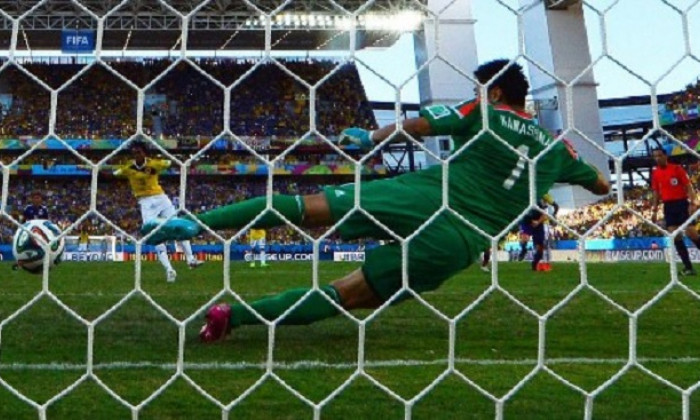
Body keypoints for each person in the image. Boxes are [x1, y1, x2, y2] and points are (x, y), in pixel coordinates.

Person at [142, 59, 610, 342]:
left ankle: (195, 223)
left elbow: (419, 125)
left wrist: (370, 135)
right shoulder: (558, 149)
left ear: (496, 91)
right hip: (460, 241)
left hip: (427, 195)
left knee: (306, 207)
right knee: (347, 295)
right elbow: (601, 185)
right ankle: (231, 317)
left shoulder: (485, 111)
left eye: (478, 87)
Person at [114, 141, 203, 282]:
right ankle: (169, 270)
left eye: (139, 152)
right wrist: (94, 170)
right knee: (154, 234)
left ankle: (191, 259)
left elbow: (171, 163)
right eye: (134, 152)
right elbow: (111, 175)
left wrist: (187, 162)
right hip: (145, 202)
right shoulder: (128, 168)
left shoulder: (154, 164)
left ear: (144, 153)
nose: (136, 154)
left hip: (161, 198)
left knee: (178, 225)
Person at [650, 147, 700, 276]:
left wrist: (693, 202)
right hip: (669, 206)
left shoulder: (677, 169)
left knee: (692, 234)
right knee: (675, 236)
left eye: (660, 155)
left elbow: (688, 186)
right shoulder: (655, 173)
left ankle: (688, 267)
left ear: (665, 156)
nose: (657, 158)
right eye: (655, 156)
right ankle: (688, 268)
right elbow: (656, 192)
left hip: (682, 204)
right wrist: (655, 210)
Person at [517, 193, 559, 271]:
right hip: (527, 222)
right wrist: (532, 221)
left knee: (540, 247)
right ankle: (523, 249)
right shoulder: (523, 202)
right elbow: (524, 216)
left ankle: (534, 264)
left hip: (539, 224)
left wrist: (538, 222)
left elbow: (544, 215)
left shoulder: (540, 201)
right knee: (524, 238)